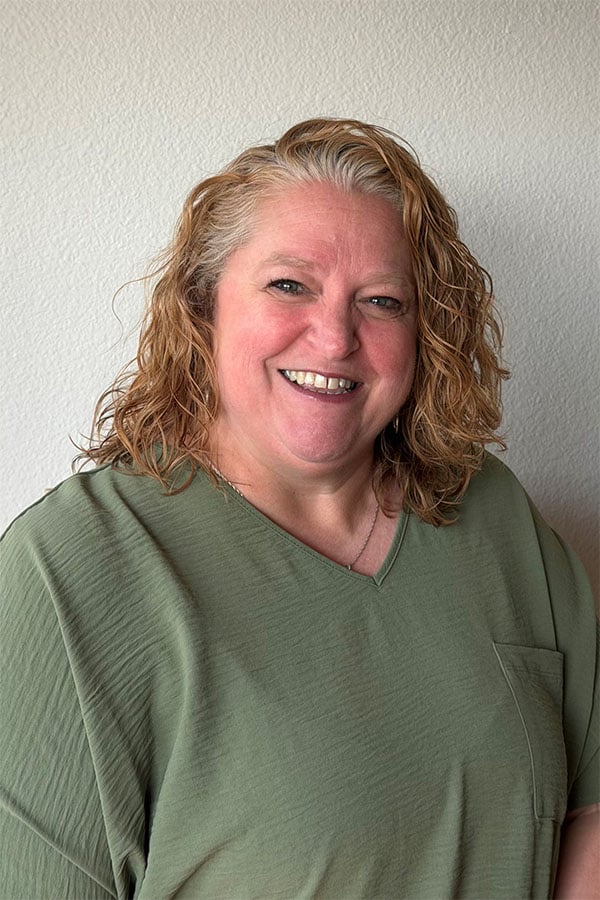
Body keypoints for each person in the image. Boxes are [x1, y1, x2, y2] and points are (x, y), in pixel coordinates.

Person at [0, 118, 597, 899]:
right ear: (203, 304)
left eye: (383, 301)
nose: (335, 334)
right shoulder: (69, 571)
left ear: (426, 336)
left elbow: (591, 810)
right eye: (290, 285)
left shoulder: (493, 516)